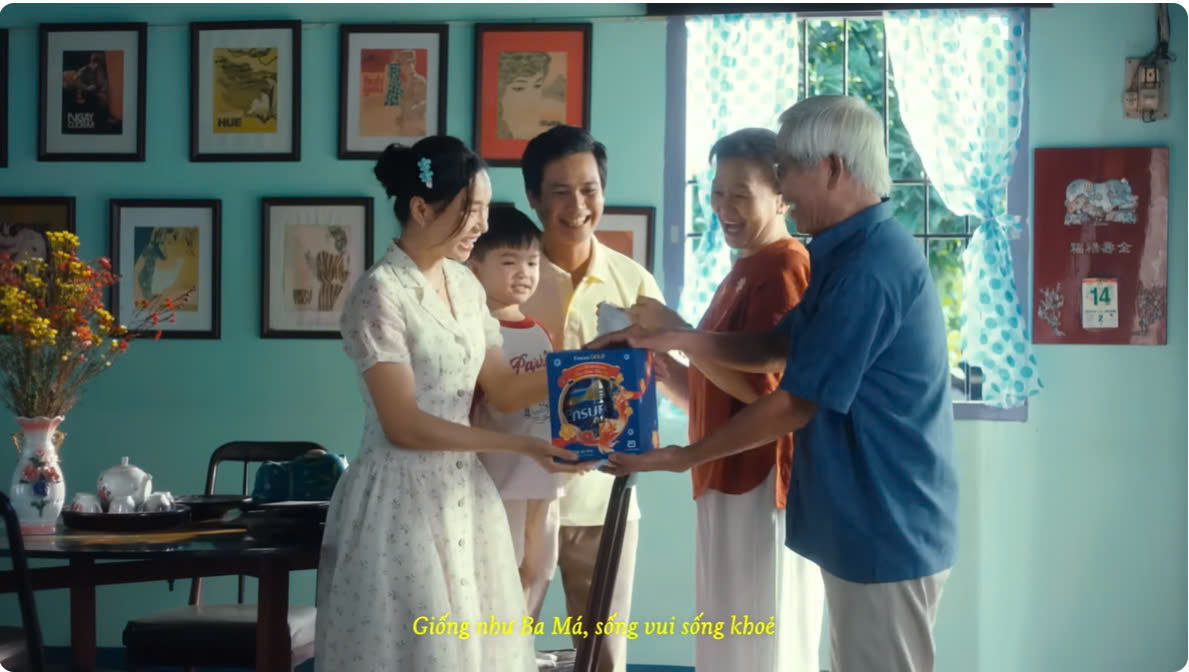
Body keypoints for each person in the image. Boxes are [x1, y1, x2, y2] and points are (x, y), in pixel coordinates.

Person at [593, 95, 959, 672]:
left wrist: (683, 456)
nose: (782, 187)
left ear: (832, 168)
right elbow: (775, 346)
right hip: (855, 516)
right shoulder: (842, 252)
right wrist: (671, 338)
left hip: (886, 520)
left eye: (785, 171)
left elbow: (792, 402)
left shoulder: (870, 266)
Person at [316, 135, 588, 672]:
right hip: (399, 498)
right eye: (472, 210)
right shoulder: (380, 292)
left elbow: (504, 386)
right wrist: (521, 446)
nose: (483, 225)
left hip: (464, 493)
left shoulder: (464, 284)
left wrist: (583, 365)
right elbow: (404, 425)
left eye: (485, 209)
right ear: (421, 209)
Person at [629, 128, 824, 672]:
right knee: (728, 640)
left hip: (763, 480)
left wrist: (678, 330)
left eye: (741, 194)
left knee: (765, 641)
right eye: (717, 192)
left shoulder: (784, 265)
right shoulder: (743, 269)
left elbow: (769, 394)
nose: (724, 208)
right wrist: (662, 366)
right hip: (722, 475)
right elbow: (713, 390)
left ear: (782, 197)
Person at [518, 124, 664, 672]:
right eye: (560, 192)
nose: (577, 206)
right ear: (533, 197)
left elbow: (657, 381)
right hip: (513, 496)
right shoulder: (502, 277)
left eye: (589, 190)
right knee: (498, 645)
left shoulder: (633, 283)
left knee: (602, 653)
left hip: (604, 503)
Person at [466, 205, 565, 641]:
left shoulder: (539, 331)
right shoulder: (477, 330)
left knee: (539, 569)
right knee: (499, 576)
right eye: (509, 262)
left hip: (545, 478)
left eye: (532, 262)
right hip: (499, 479)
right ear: (475, 268)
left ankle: (520, 651)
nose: (524, 273)